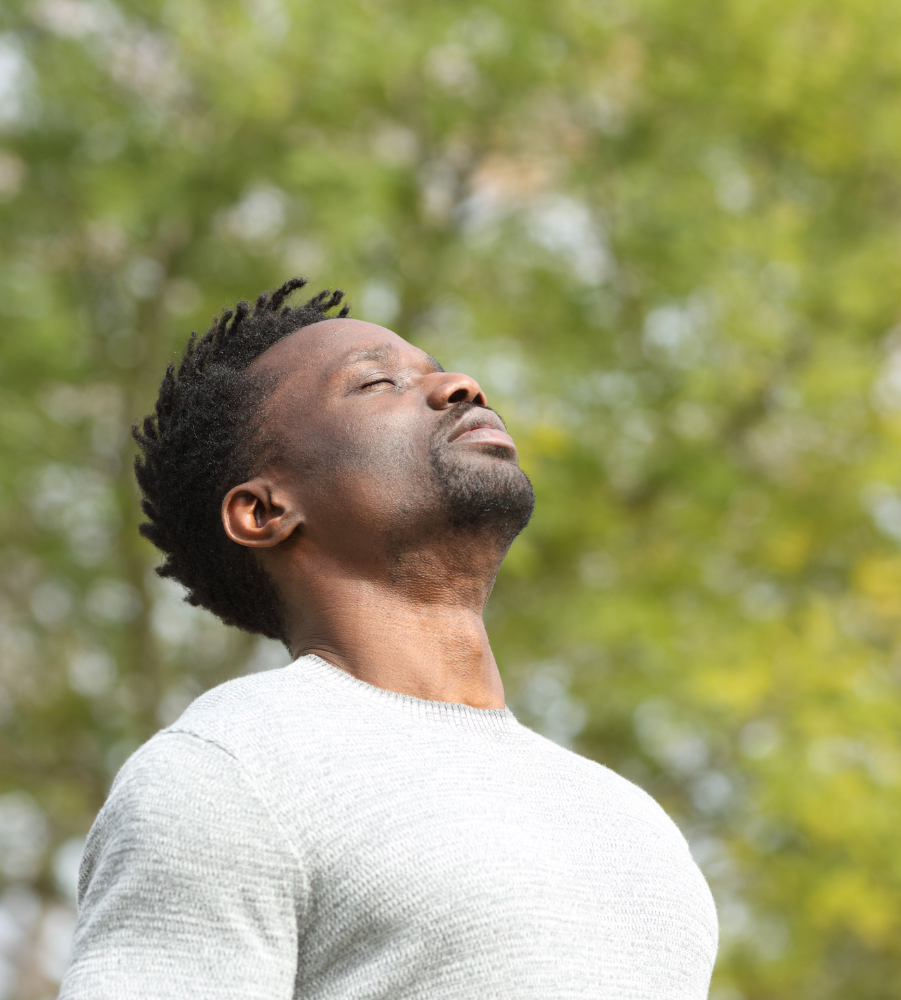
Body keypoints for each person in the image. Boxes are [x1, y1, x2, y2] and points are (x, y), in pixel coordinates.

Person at [59, 278, 718, 999]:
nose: (459, 386)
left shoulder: (629, 819)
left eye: (441, 371)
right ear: (265, 511)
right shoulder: (229, 771)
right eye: (377, 383)